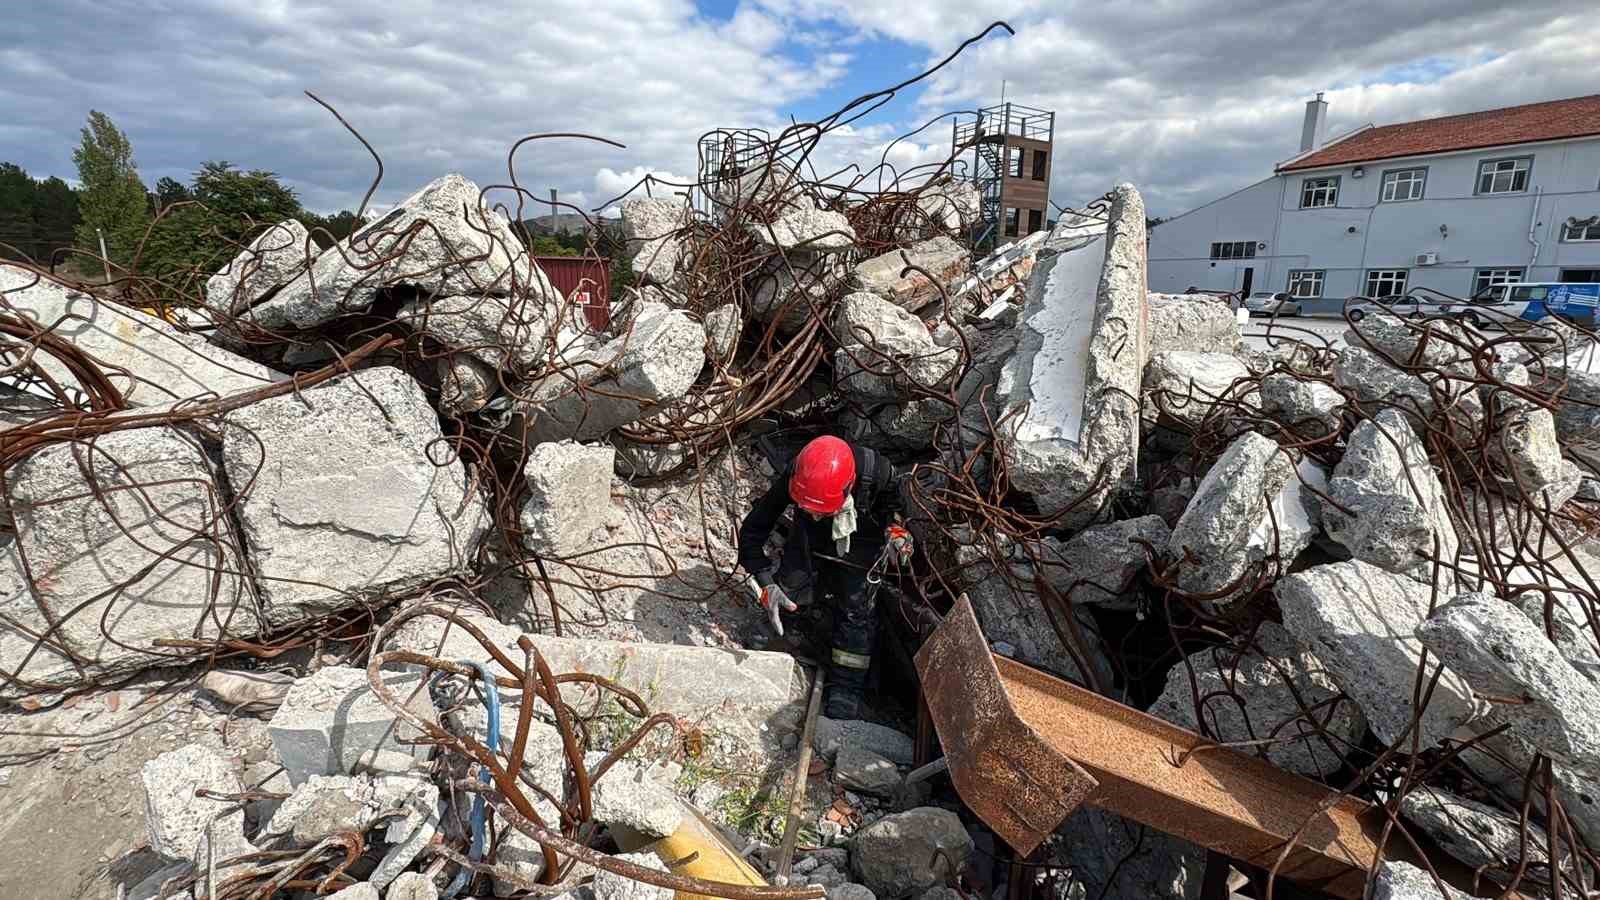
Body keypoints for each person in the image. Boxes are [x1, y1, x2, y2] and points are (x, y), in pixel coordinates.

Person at [737, 435, 912, 719]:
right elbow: (753, 530)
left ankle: (847, 686)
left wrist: (898, 530)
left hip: (863, 536)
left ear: (848, 486)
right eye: (808, 507)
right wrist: (766, 582)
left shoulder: (878, 471)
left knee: (856, 610)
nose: (816, 513)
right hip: (811, 533)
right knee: (791, 582)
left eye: (819, 510)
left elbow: (899, 510)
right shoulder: (800, 473)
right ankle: (788, 629)